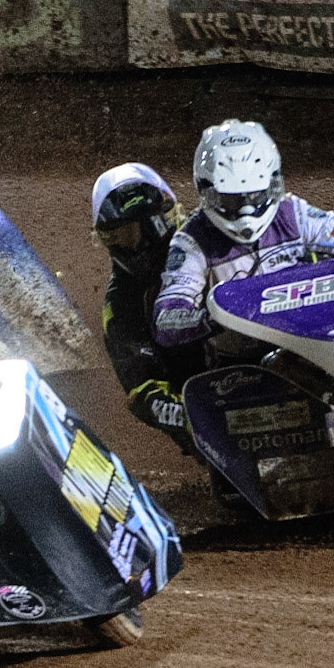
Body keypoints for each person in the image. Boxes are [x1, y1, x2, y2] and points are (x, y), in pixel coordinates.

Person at [153, 119, 334, 352]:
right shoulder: (192, 241)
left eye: (256, 195)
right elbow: (166, 317)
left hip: (317, 339)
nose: (247, 210)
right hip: (245, 358)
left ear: (273, 184)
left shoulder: (293, 214)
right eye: (232, 200)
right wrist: (214, 317)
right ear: (207, 194)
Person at [89, 163, 202, 452]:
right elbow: (143, 391)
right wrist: (195, 419)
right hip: (204, 402)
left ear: (159, 222)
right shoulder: (121, 305)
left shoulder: (211, 240)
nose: (127, 246)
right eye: (115, 237)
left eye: (132, 233)